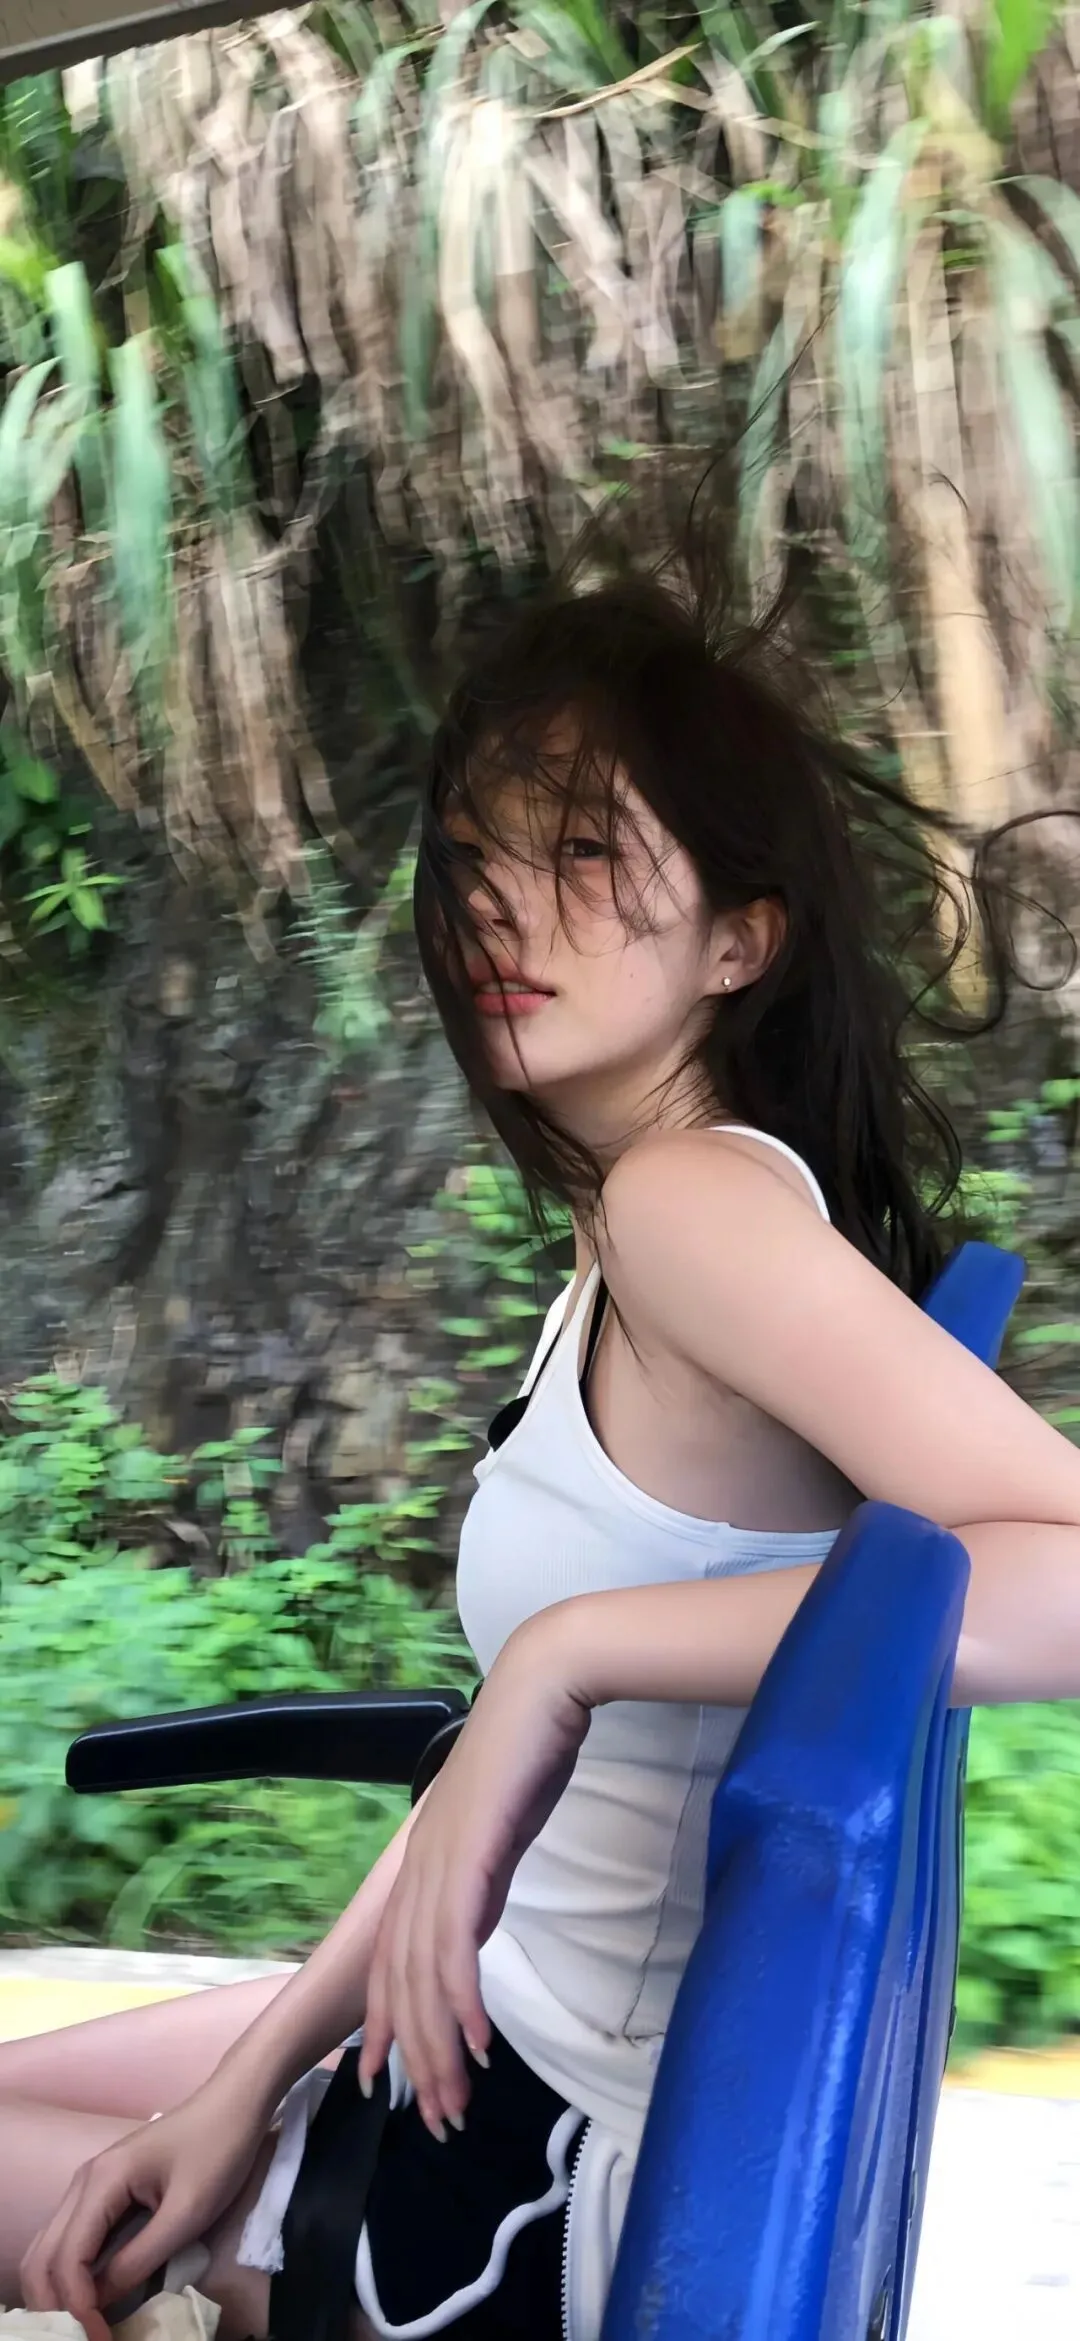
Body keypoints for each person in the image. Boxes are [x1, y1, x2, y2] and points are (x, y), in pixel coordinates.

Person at [3, 542, 1080, 2341]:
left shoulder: (689, 1210)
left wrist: (569, 1653)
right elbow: (492, 1836)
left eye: (583, 854)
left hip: (534, 2190)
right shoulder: (643, 1229)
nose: (502, 908)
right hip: (483, 2042)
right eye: (475, 857)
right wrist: (249, 2081)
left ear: (739, 939)